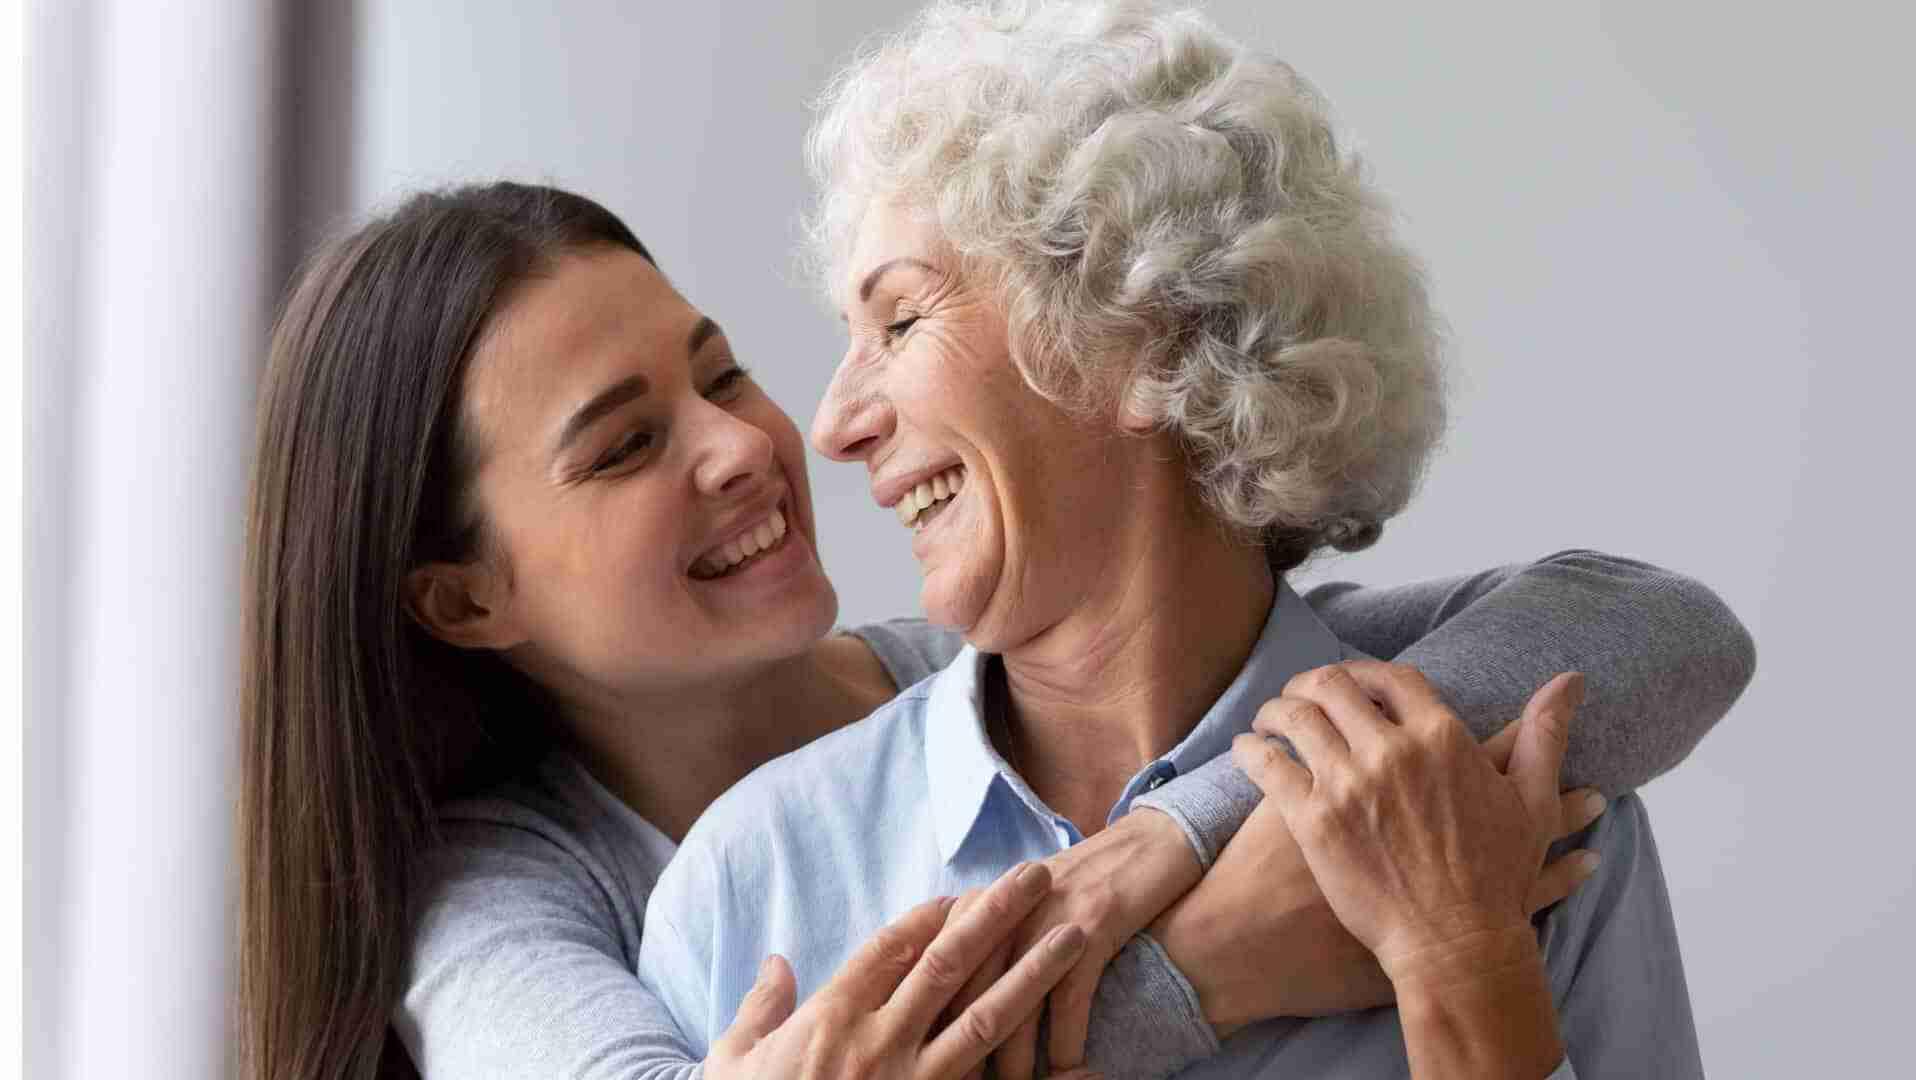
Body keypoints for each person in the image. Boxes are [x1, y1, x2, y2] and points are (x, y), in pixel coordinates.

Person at [234, 182, 1751, 1079]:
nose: (774, 441)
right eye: (624, 448)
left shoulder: (1407, 764)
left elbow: (1633, 627)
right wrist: (1192, 967)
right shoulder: (539, 888)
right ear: (464, 598)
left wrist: (1181, 838)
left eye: (722, 372)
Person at [636, 2, 1744, 1077]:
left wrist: (1461, 968)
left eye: (901, 320)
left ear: (1136, 339)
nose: (832, 423)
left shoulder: (1514, 802)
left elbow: (1681, 625)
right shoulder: (752, 882)